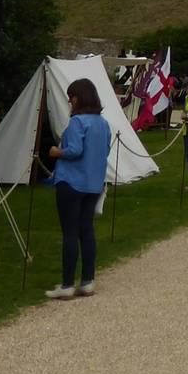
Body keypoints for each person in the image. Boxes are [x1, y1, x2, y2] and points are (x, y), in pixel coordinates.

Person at [45, 77, 112, 299]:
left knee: (70, 233)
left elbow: (74, 150)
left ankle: (66, 285)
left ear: (75, 98)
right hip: (93, 184)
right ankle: (87, 281)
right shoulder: (103, 123)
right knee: (87, 231)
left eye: (70, 98)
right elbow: (105, 151)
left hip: (71, 183)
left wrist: (56, 152)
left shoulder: (77, 122)